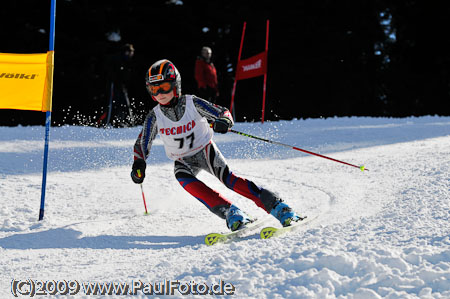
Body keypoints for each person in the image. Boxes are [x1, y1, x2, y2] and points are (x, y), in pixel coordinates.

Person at [131, 59, 303, 231]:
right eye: (154, 89)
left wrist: (224, 120)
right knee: (185, 180)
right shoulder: (154, 116)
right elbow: (142, 142)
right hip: (182, 160)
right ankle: (231, 212)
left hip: (205, 151)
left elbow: (223, 112)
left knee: (229, 180)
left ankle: (279, 207)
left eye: (164, 87)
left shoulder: (192, 103)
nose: (160, 93)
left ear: (176, 85)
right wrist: (139, 163)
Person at [100, 43, 136, 127]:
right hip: (114, 85)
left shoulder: (127, 61)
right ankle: (107, 122)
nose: (132, 54)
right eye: (130, 52)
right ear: (126, 52)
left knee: (124, 104)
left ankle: (122, 121)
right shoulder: (118, 59)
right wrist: (115, 80)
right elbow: (111, 72)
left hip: (121, 86)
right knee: (113, 103)